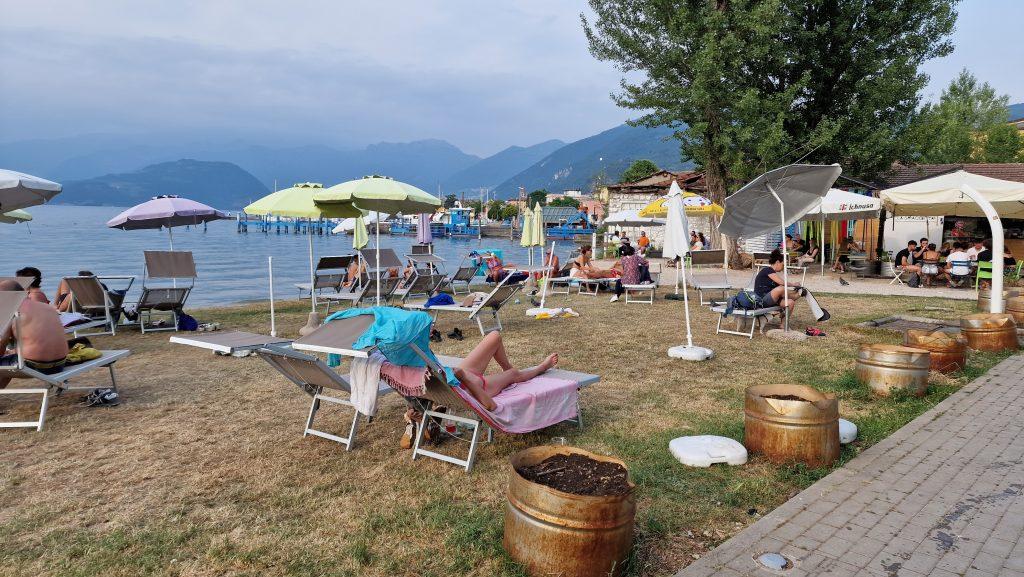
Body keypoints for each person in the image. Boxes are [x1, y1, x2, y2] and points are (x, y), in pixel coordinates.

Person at [451, 331, 559, 411]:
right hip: (476, 388)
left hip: (464, 373)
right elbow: (491, 406)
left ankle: (509, 370)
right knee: (513, 374)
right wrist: (464, 378)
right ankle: (543, 367)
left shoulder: (433, 367)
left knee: (494, 336)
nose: (433, 329)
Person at [0, 280, 69, 389]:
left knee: (7, 361)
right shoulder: (48, 308)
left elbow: (1, 345)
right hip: (60, 364)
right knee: (10, 359)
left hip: (36, 366)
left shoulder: (14, 311)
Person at [753, 250, 803, 317]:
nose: (783, 267)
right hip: (761, 299)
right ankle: (796, 295)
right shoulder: (767, 270)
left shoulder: (773, 274)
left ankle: (783, 325)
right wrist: (794, 284)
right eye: (783, 264)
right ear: (777, 262)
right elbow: (781, 283)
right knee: (781, 289)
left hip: (772, 299)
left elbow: (783, 291)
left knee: (790, 302)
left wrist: (794, 291)